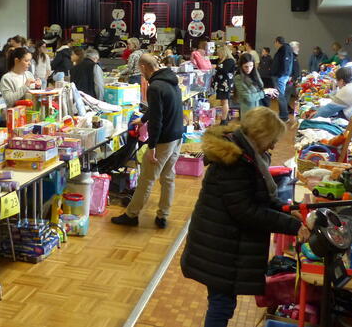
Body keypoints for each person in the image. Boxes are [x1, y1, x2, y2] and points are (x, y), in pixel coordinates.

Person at [180, 107, 309, 327]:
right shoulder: (234, 162)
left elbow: (257, 195)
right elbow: (246, 211)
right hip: (220, 245)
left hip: (223, 241)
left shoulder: (246, 154)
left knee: (222, 302)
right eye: (271, 140)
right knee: (222, 304)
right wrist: (292, 225)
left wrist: (286, 209)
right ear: (260, 136)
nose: (273, 146)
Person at [112, 54, 183, 229]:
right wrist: (143, 119)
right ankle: (163, 215)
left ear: (143, 67)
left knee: (146, 179)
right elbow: (159, 108)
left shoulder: (155, 87)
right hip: (177, 135)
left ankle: (131, 215)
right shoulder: (170, 80)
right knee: (168, 177)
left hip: (164, 139)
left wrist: (151, 147)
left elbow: (157, 120)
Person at [234, 53, 278, 118]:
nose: (249, 69)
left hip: (259, 109)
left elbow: (258, 90)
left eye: (251, 66)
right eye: (246, 66)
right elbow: (249, 97)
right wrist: (265, 92)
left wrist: (268, 92)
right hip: (248, 112)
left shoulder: (255, 75)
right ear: (241, 66)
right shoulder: (238, 78)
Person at [270, 36, 294, 121]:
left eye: (275, 43)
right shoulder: (284, 49)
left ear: (277, 42)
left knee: (281, 97)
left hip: (281, 76)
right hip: (282, 76)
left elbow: (285, 64)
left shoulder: (285, 49)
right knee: (280, 96)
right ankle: (282, 115)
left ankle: (284, 116)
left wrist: (280, 75)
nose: (275, 45)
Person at [212, 45, 236, 125]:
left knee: (225, 102)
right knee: (223, 102)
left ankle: (224, 120)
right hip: (221, 84)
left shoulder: (230, 61)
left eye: (219, 53)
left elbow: (224, 69)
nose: (218, 55)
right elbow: (211, 61)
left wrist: (216, 66)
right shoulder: (221, 60)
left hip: (225, 85)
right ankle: (224, 118)